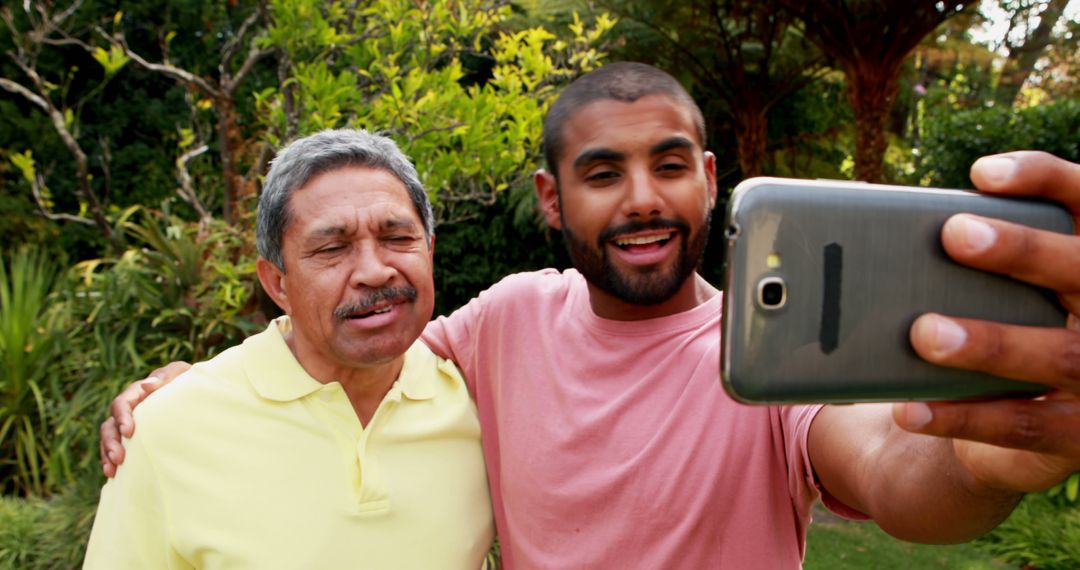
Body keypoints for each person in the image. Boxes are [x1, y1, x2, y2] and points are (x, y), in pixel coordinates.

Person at [100, 63, 1080, 568]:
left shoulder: (769, 360)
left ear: (708, 177)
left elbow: (893, 473)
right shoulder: (504, 322)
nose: (642, 199)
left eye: (667, 164)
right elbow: (355, 352)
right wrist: (199, 392)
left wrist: (982, 465)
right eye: (602, 173)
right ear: (552, 199)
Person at [84, 129, 494, 568]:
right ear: (277, 283)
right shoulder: (167, 428)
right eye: (332, 248)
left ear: (429, 251)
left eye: (397, 239)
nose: (374, 272)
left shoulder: (484, 404)